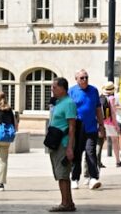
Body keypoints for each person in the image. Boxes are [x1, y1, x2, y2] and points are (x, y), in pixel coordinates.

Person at [68, 69, 104, 190]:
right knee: (77, 154)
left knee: (91, 152)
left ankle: (93, 178)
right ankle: (74, 178)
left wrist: (101, 126)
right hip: (77, 127)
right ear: (76, 79)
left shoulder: (93, 90)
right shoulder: (71, 91)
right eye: (82, 78)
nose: (85, 80)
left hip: (91, 127)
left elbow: (98, 109)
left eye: (86, 77)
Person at [47, 77, 77, 212]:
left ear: (63, 88)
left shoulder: (69, 103)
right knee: (60, 174)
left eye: (54, 87)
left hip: (63, 144)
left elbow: (72, 127)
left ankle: (65, 203)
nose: (52, 90)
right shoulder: (58, 102)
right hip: (55, 143)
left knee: (62, 175)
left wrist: (70, 147)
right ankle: (69, 202)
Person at [102, 82, 121, 167]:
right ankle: (118, 161)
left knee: (100, 142)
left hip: (102, 122)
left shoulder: (102, 97)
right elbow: (113, 113)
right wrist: (116, 125)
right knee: (115, 141)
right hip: (110, 123)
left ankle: (98, 162)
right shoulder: (112, 98)